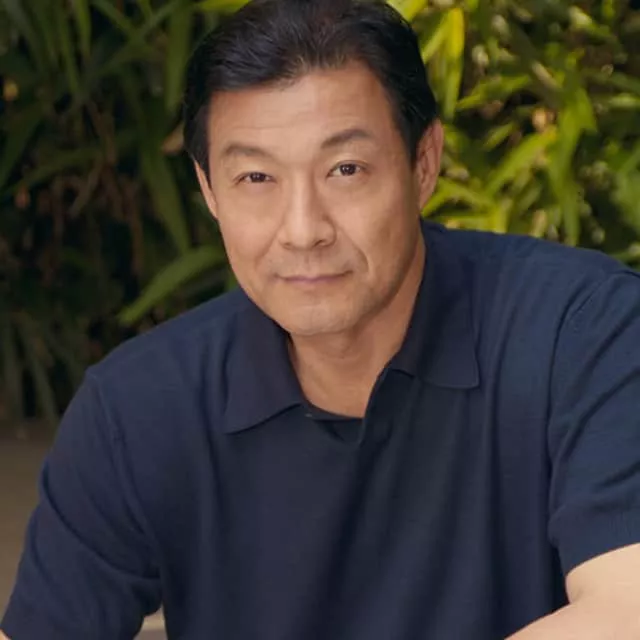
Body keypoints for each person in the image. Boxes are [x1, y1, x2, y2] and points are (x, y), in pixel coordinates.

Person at [3, 0, 640, 638]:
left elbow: (625, 609)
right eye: (256, 177)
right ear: (209, 190)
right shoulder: (136, 409)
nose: (303, 230)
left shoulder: (583, 332)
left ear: (423, 163)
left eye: (345, 170)